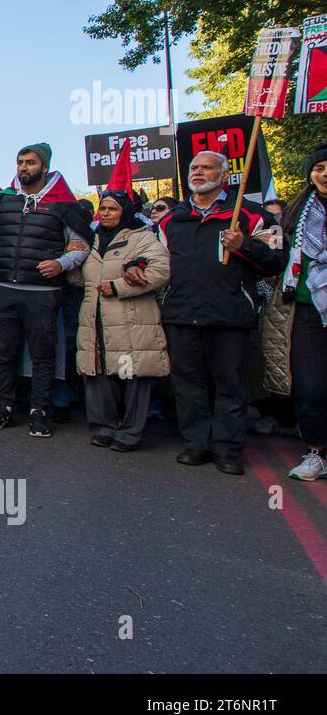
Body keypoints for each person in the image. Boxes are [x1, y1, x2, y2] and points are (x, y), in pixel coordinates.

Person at [157, 151, 286, 475]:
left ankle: (227, 449)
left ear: (225, 175)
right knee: (188, 383)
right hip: (183, 313)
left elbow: (277, 261)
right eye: (194, 167)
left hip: (230, 314)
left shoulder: (252, 216)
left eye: (206, 167)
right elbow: (157, 263)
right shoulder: (172, 219)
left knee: (230, 385)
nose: (198, 172)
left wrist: (244, 246)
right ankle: (196, 444)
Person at [0, 143, 91, 438]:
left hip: (42, 292)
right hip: (3, 286)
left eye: (30, 162)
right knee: (3, 353)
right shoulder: (4, 200)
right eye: (20, 162)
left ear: (44, 166)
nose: (23, 168)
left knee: (43, 356)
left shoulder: (64, 203)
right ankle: (4, 407)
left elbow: (80, 246)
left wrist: (61, 263)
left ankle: (40, 410)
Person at [76, 190, 170, 452]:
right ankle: (103, 427)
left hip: (131, 321)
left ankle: (130, 432)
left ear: (125, 211)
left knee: (133, 375)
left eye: (112, 209)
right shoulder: (91, 239)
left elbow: (160, 271)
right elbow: (80, 279)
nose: (105, 213)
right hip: (95, 319)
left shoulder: (142, 237)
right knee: (97, 373)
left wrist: (117, 287)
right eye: (103, 208)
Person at [262, 145, 327, 481]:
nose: (325, 173)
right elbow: (273, 257)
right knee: (311, 385)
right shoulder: (293, 217)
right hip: (304, 308)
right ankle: (316, 452)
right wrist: (245, 246)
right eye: (319, 167)